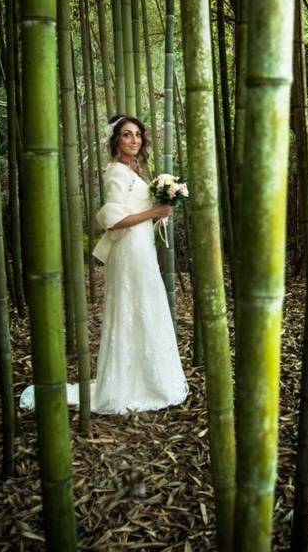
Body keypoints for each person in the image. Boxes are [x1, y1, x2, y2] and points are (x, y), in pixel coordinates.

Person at [20, 114, 188, 414]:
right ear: (115, 141)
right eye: (126, 134)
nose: (134, 139)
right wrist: (154, 212)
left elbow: (137, 210)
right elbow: (114, 221)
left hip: (142, 245)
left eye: (137, 134)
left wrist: (162, 210)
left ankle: (151, 378)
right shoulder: (115, 172)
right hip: (129, 249)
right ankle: (129, 383)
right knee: (133, 305)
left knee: (146, 304)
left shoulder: (135, 169)